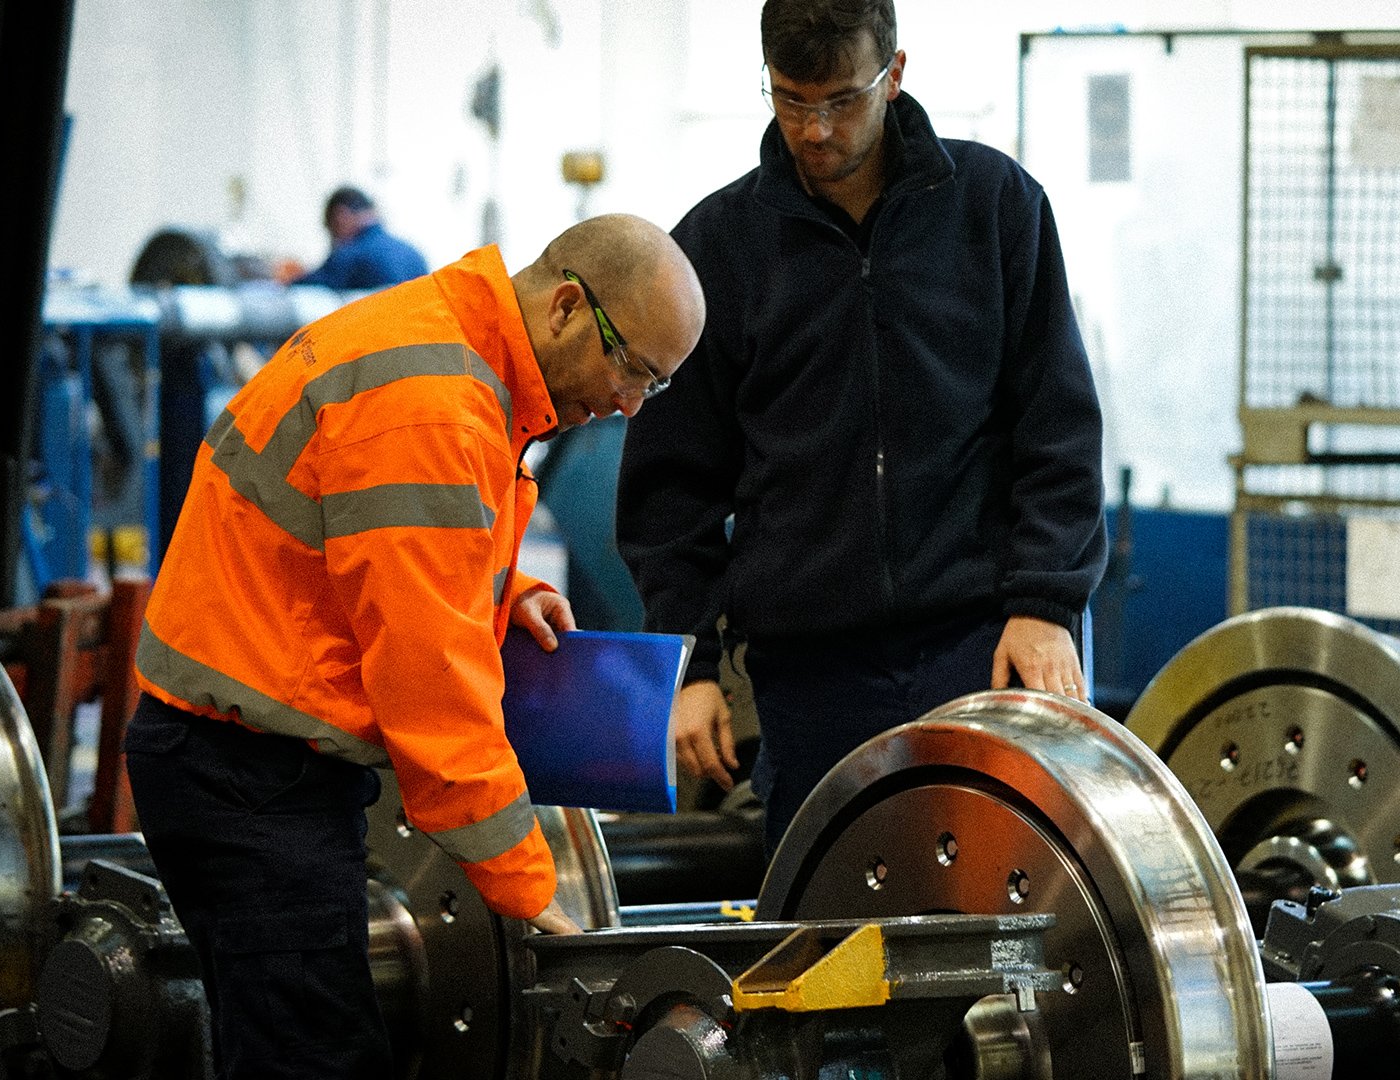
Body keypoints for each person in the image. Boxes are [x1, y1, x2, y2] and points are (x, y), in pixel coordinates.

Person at [126, 213, 704, 1077]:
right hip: (244, 776)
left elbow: (369, 545)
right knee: (316, 1059)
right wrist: (531, 889)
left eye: (653, 390)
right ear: (567, 309)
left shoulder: (452, 349)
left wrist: (505, 594)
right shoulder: (434, 403)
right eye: (634, 370)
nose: (628, 404)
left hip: (248, 758)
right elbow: (431, 683)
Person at [616, 0, 1107, 850]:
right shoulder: (720, 246)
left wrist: (1045, 604)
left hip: (985, 642)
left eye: (842, 99)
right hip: (812, 675)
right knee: (829, 924)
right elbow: (671, 484)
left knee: (1014, 906)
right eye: (790, 98)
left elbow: (1056, 427)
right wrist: (688, 665)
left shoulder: (996, 209)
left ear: (896, 73)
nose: (814, 130)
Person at [290, 185, 430, 290]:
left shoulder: (352, 254)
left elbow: (311, 284)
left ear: (341, 216)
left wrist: (291, 278)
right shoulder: (413, 252)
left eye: (331, 229)